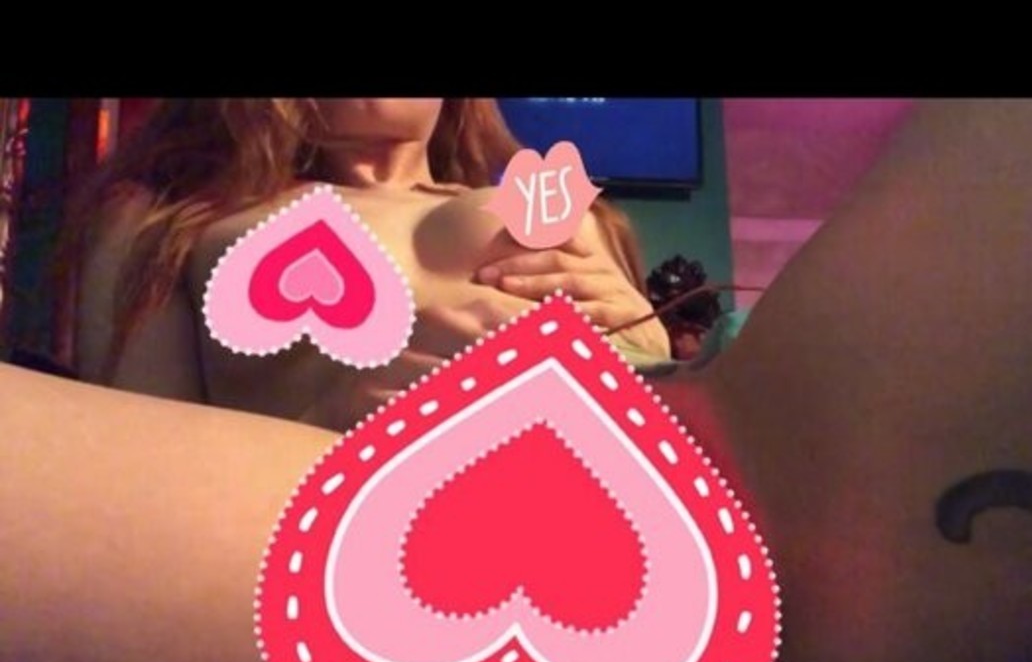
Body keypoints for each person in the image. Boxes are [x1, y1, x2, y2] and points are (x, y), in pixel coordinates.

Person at [4, 99, 1032, 662]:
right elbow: (135, 459)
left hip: (701, 476)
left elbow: (659, 370)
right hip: (414, 530)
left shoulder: (561, 208)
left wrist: (631, 327)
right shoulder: (176, 219)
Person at [73, 99, 670, 428]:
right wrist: (323, 424)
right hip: (293, 548)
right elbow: (139, 473)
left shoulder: (564, 209)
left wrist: (658, 362)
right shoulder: (168, 220)